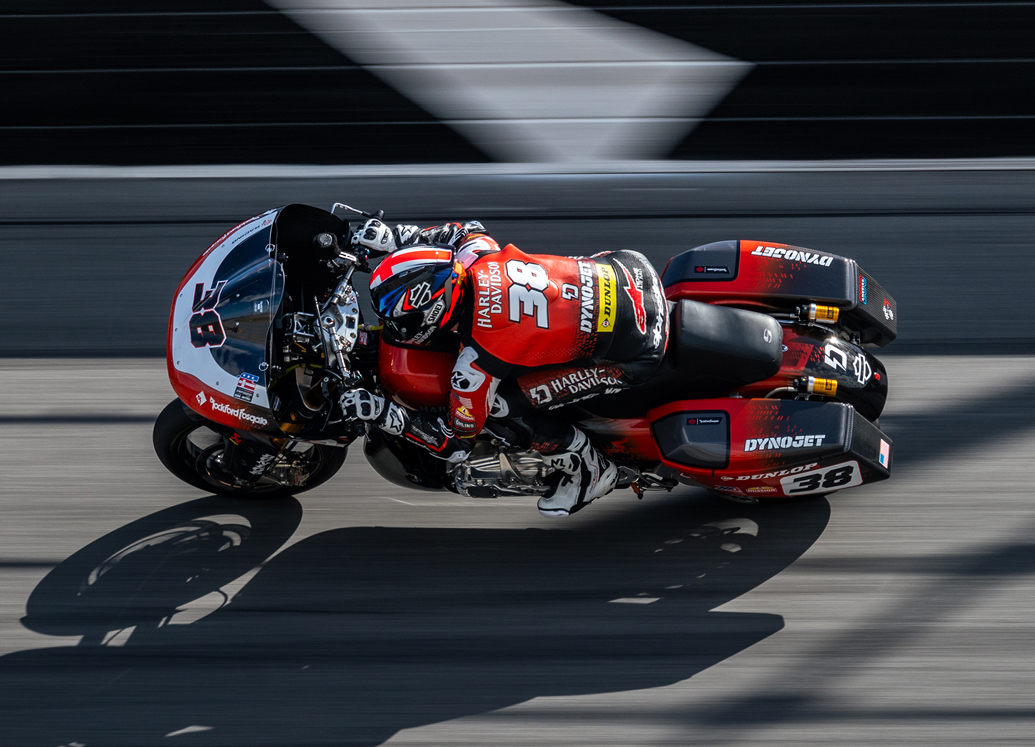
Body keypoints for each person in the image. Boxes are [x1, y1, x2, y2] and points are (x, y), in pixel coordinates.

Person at [340, 218, 669, 516]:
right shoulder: (476, 254)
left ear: (431, 315)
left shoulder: (476, 362)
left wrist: (382, 413)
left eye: (398, 320)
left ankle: (589, 470)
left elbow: (456, 441)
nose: (390, 325)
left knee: (498, 409)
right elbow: (462, 229)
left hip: (636, 352)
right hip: (630, 268)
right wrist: (392, 237)